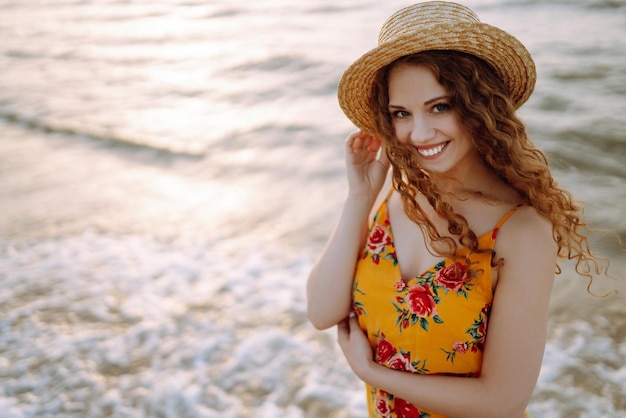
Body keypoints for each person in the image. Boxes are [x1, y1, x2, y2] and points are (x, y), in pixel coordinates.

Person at [306, 2, 612, 417]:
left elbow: (503, 402)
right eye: (401, 113)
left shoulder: (520, 231)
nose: (419, 133)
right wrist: (359, 198)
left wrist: (371, 372)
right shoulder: (401, 194)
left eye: (440, 106)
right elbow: (323, 311)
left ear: (480, 105)